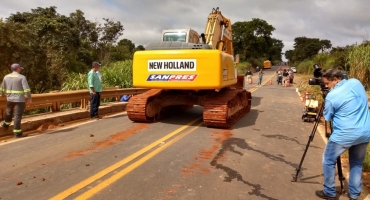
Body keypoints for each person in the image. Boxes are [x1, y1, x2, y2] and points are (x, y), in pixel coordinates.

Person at [315, 69, 370, 200]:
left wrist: (327, 99)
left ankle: (329, 191)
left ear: (336, 80)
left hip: (345, 134)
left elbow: (327, 118)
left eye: (327, 83)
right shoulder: (356, 82)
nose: (326, 86)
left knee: (328, 159)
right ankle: (354, 194)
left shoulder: (332, 95)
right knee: (356, 163)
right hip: (365, 131)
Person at [0, 63, 31, 138]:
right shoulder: (22, 77)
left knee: (8, 112)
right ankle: (17, 133)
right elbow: (26, 89)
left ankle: (5, 125)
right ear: (17, 69)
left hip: (10, 99)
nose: (20, 69)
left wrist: (1, 94)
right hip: (19, 100)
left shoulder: (6, 77)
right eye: (20, 68)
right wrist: (29, 98)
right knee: (17, 116)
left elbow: (2, 89)